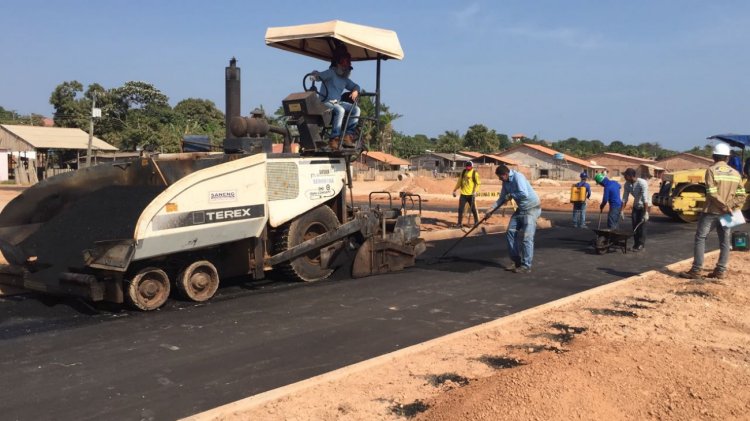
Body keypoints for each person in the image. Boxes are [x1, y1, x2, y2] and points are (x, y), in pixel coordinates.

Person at [680, 142, 746, 280]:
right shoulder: (735, 173)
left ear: (713, 156)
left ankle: (696, 269)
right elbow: (741, 195)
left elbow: (712, 193)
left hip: (711, 211)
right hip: (728, 213)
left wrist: (722, 206)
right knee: (725, 241)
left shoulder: (711, 171)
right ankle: (720, 270)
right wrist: (729, 206)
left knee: (701, 237)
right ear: (727, 158)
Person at [485, 165, 541, 274]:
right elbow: (502, 198)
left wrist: (511, 195)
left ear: (505, 174)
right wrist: (490, 210)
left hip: (532, 209)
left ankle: (526, 265)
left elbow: (523, 193)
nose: (499, 179)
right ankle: (516, 261)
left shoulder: (518, 177)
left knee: (527, 238)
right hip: (521, 209)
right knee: (510, 232)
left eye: (500, 177)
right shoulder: (505, 182)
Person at [312, 50, 360, 149]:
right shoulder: (331, 73)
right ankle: (334, 138)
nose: (346, 69)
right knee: (340, 110)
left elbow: (356, 86)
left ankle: (348, 135)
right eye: (344, 66)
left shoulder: (345, 80)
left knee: (356, 109)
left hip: (337, 102)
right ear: (338, 65)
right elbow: (318, 76)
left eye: (347, 67)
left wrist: (355, 90)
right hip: (325, 102)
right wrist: (315, 74)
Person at [621, 168, 651, 251]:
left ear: (631, 176)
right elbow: (624, 198)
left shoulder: (642, 183)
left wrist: (646, 213)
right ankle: (636, 244)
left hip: (645, 205)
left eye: (625, 175)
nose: (624, 177)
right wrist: (622, 211)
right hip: (636, 204)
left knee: (641, 225)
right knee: (634, 225)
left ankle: (641, 245)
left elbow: (645, 198)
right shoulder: (627, 184)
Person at [452, 161, 480, 228]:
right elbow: (459, 181)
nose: (468, 168)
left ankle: (476, 222)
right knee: (460, 209)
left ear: (472, 166)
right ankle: (459, 223)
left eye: (469, 167)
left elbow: (478, 183)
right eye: (467, 166)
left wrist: (475, 191)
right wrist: (455, 189)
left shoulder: (474, 173)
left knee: (473, 209)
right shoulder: (463, 172)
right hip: (463, 194)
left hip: (471, 195)